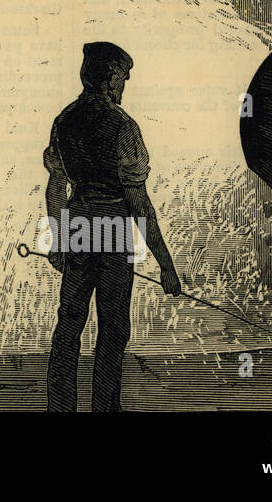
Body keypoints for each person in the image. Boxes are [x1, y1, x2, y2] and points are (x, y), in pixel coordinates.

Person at [43, 41, 182, 412]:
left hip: (75, 232)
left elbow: (56, 186)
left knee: (68, 328)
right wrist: (167, 266)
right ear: (109, 77)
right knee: (113, 331)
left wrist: (58, 240)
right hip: (114, 235)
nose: (124, 86)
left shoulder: (64, 121)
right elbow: (140, 205)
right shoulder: (123, 127)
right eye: (122, 77)